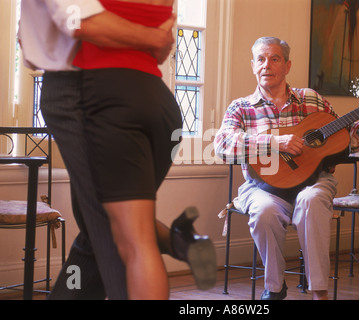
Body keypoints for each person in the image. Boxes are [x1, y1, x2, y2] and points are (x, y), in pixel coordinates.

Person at [19, 0, 215, 300]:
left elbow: (81, 21)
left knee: (121, 238)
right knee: (96, 228)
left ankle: (172, 240)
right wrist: (151, 37)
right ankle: (177, 241)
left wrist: (150, 37)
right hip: (158, 101)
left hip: (94, 93)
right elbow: (163, 43)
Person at [214, 37, 359, 300]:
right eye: (260, 59)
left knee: (311, 200)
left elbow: (347, 136)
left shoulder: (311, 99)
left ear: (287, 65)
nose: (267, 65)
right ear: (252, 66)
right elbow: (222, 145)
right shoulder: (241, 107)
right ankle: (275, 288)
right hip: (262, 187)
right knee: (264, 211)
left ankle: (319, 291)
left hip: (313, 182)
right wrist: (274, 142)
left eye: (274, 59)